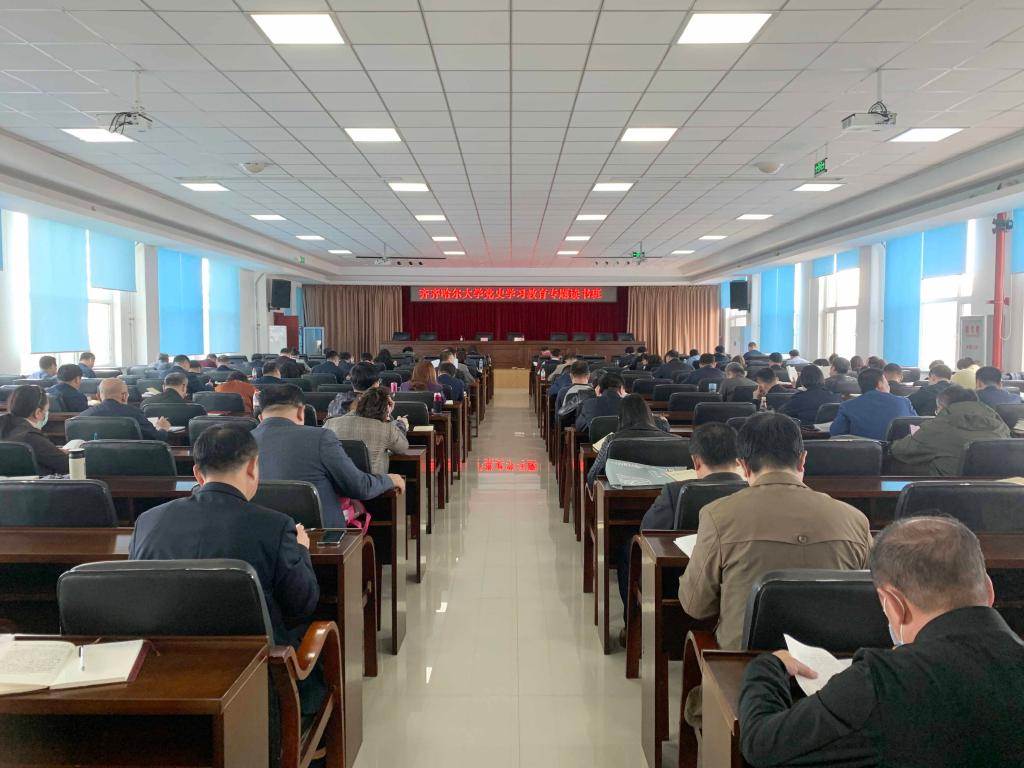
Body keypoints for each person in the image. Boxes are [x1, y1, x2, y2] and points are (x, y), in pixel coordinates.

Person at [738, 516, 1024, 768]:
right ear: (988, 590)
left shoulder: (882, 681)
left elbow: (762, 746)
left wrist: (768, 667)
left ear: (894, 605)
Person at [679, 411, 871, 649]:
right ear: (802, 459)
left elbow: (696, 606)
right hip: (833, 662)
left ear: (742, 465)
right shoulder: (855, 520)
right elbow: (871, 603)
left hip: (745, 663)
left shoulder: (717, 515)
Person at [129, 424, 318, 647]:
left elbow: (137, 595)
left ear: (197, 474)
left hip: (165, 656)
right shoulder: (275, 526)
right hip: (255, 659)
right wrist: (301, 549)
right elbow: (301, 605)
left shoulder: (147, 521)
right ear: (253, 466)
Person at [251, 384, 403, 527]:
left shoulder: (244, 441)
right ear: (300, 412)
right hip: (322, 535)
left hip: (263, 531)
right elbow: (359, 487)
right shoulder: (321, 438)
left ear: (260, 418)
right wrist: (390, 479)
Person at [640, 422, 744, 531]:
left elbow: (648, 530)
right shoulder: (752, 491)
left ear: (696, 461)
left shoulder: (675, 492)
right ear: (738, 460)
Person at [890, 385, 1010, 475]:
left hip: (951, 493)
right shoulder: (1000, 423)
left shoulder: (937, 426)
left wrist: (915, 435)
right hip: (1001, 491)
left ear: (941, 408)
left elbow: (900, 450)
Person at [586, 394, 672, 488]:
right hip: (662, 494)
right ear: (649, 415)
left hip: (618, 495)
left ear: (620, 418)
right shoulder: (673, 440)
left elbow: (592, 476)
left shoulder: (612, 440)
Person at [324, 387, 410, 474]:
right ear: (386, 408)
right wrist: (393, 419)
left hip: (335, 480)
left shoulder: (330, 423)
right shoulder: (385, 428)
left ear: (360, 403)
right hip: (372, 481)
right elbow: (402, 448)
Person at [831, 367, 916, 440]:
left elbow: (836, 433)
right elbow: (917, 429)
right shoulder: (904, 402)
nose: (888, 386)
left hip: (864, 452)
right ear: (880, 384)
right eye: (887, 382)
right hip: (897, 452)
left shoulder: (847, 406)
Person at [0, 384, 69, 473]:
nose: (47, 413)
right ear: (38, 412)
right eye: (47, 410)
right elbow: (67, 465)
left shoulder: (5, 424)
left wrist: (52, 451)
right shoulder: (30, 436)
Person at [80, 378, 171, 441]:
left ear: (98, 397)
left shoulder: (83, 416)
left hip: (93, 462)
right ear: (124, 396)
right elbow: (156, 439)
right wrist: (162, 429)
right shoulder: (135, 414)